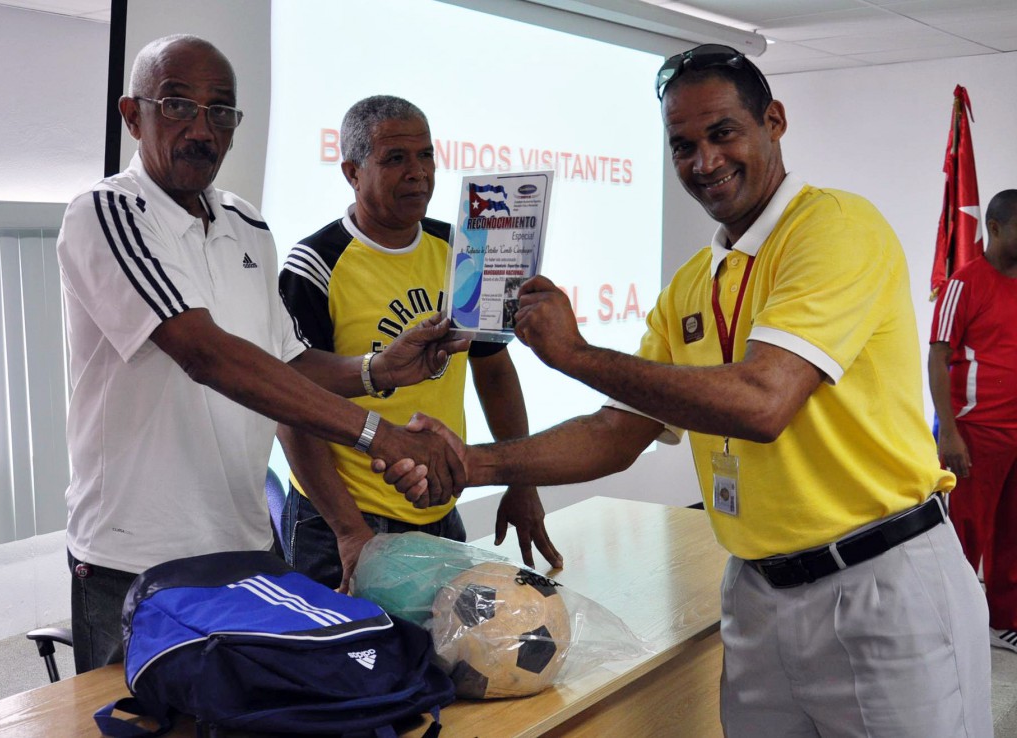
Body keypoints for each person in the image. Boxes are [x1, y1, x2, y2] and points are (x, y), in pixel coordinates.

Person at [381, 44, 992, 736]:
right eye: (682, 145)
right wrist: (472, 464)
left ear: (774, 121)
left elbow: (764, 402)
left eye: (722, 133)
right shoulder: (690, 287)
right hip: (759, 592)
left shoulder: (835, 229)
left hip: (880, 582)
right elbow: (616, 432)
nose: (704, 162)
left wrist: (576, 355)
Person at [56, 36, 466, 673]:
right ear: (133, 116)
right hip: (136, 562)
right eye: (178, 106)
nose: (202, 129)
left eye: (220, 111)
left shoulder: (247, 225)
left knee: (256, 711)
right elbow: (206, 355)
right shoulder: (106, 213)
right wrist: (377, 435)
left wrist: (377, 370)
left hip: (247, 548)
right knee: (135, 715)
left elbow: (288, 362)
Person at [278, 95, 562, 592]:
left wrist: (522, 482)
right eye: (395, 158)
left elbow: (494, 369)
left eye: (426, 155)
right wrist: (350, 532)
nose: (419, 173)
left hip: (439, 507)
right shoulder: (314, 266)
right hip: (341, 521)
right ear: (352, 172)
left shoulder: (461, 250)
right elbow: (291, 412)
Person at [929, 188, 1017, 654]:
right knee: (965, 535)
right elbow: (937, 358)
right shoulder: (964, 283)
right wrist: (950, 432)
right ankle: (953, 629)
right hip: (977, 431)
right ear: (995, 228)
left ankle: (1003, 621)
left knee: (1012, 534)